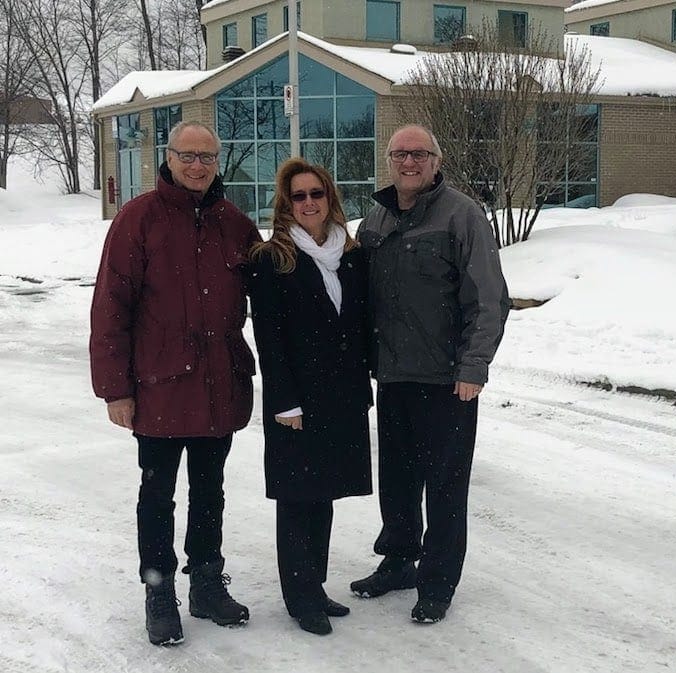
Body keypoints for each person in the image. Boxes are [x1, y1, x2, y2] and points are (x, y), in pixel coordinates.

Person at [89, 121, 259, 646]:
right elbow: (111, 307)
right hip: (159, 386)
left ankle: (206, 583)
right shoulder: (138, 219)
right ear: (169, 157)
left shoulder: (235, 224)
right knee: (157, 494)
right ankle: (159, 592)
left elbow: (274, 295)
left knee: (210, 491)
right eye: (188, 155)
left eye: (207, 156)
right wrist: (116, 389)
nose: (197, 166)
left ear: (218, 161)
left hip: (219, 385)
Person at [351, 124, 510, 624]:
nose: (409, 162)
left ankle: (438, 582)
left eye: (419, 154)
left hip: (448, 382)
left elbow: (488, 298)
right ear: (388, 161)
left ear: (436, 161)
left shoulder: (462, 215)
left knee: (445, 486)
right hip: (394, 377)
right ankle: (399, 561)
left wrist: (473, 366)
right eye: (400, 154)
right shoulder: (375, 220)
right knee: (397, 480)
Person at [247, 159, 373, 636]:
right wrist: (284, 401)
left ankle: (315, 587)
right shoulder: (271, 259)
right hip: (296, 401)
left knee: (324, 494)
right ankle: (300, 597)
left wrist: (363, 387)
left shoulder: (352, 255)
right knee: (298, 497)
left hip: (341, 397)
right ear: (286, 203)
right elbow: (270, 339)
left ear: (330, 198)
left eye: (316, 193)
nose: (308, 203)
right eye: (298, 196)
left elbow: (358, 327)